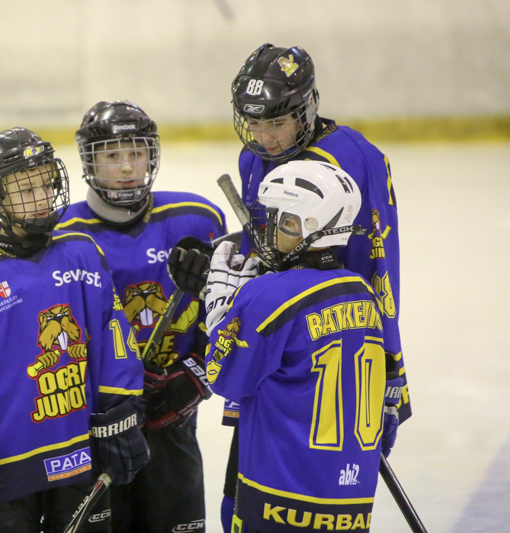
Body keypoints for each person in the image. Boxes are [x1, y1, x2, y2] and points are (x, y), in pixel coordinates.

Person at [169, 43, 411, 531]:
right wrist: (221, 260)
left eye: (276, 123)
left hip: (330, 343)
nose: (265, 137)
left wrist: (390, 372)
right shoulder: (253, 158)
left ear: (307, 107)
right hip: (271, 338)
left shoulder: (354, 158)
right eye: (253, 123)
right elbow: (269, 246)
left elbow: (378, 262)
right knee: (242, 494)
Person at [0, 127, 149, 532]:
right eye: (25, 189)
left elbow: (114, 340)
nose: (41, 197)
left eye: (46, 184)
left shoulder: (82, 252)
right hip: (4, 468)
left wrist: (121, 410)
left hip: (80, 458)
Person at [203, 160, 404, 533]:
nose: (268, 229)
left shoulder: (268, 296)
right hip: (352, 506)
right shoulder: (362, 292)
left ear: (303, 224)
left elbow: (224, 377)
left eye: (278, 218)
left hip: (278, 502)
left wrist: (220, 309)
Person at [57, 100, 227, 533]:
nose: (127, 167)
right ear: (89, 162)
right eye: (112, 155)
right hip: (95, 427)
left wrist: (197, 376)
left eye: (136, 152)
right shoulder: (61, 234)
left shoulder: (198, 220)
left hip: (172, 421)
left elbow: (231, 314)